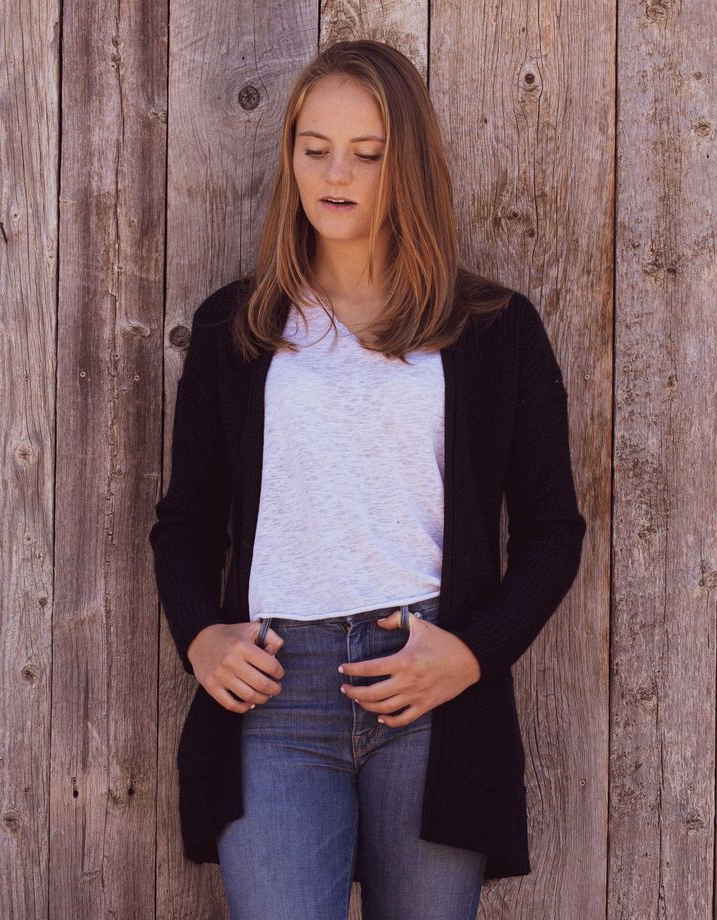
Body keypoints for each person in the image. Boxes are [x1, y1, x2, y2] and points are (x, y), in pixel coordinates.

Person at [149, 39, 587, 920]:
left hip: (427, 693)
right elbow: (186, 522)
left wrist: (471, 653)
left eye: (369, 153)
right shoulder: (238, 327)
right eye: (315, 149)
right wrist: (200, 638)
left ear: (410, 164)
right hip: (275, 696)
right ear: (291, 158)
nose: (336, 175)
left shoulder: (493, 331)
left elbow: (552, 530)